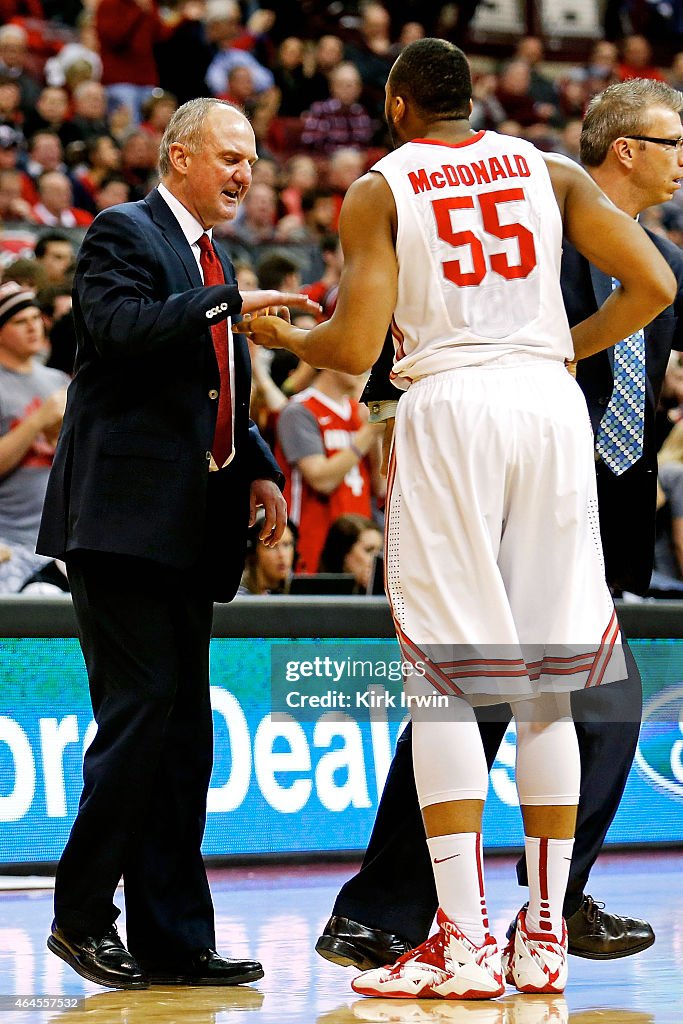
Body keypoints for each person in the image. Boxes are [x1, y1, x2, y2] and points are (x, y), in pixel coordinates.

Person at [237, 39, 674, 1000]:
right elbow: (656, 287)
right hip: (549, 409)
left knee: (445, 681)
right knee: (553, 682)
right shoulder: (549, 169)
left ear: (396, 107)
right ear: (471, 100)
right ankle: (546, 936)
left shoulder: (379, 188)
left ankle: (462, 941)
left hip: (452, 406)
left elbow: (354, 345)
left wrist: (282, 336)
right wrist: (564, 350)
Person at [36, 96, 320, 992]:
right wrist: (224, 299)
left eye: (251, 161)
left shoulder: (208, 258)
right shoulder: (123, 231)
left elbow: (219, 381)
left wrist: (265, 466)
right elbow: (115, 333)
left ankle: (173, 937)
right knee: (143, 714)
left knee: (183, 738)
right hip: (120, 524)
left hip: (185, 526)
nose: (245, 173)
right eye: (228, 157)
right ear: (178, 156)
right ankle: (81, 918)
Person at [0, 281, 68, 593]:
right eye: (19, 321)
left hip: (57, 542)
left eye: (35, 318)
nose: (32, 328)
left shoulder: (57, 380)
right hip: (8, 542)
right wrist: (38, 420)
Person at [318, 513, 383, 592]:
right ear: (344, 554)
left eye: (380, 551)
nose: (378, 559)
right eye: (368, 550)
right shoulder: (314, 596)